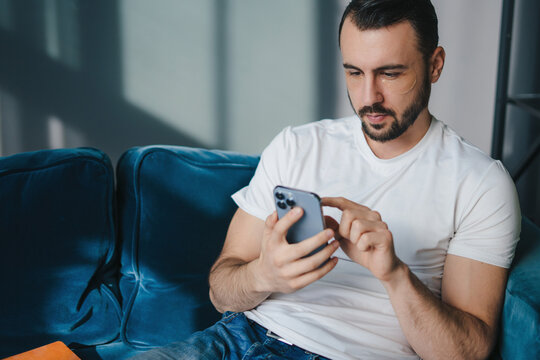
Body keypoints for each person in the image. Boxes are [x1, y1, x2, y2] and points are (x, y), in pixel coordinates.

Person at [133, 0, 520, 359]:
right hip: (238, 340)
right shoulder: (296, 145)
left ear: (435, 64)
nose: (370, 96)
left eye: (390, 73)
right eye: (355, 72)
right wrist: (264, 274)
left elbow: (467, 351)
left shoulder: (480, 183)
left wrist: (394, 274)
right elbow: (221, 291)